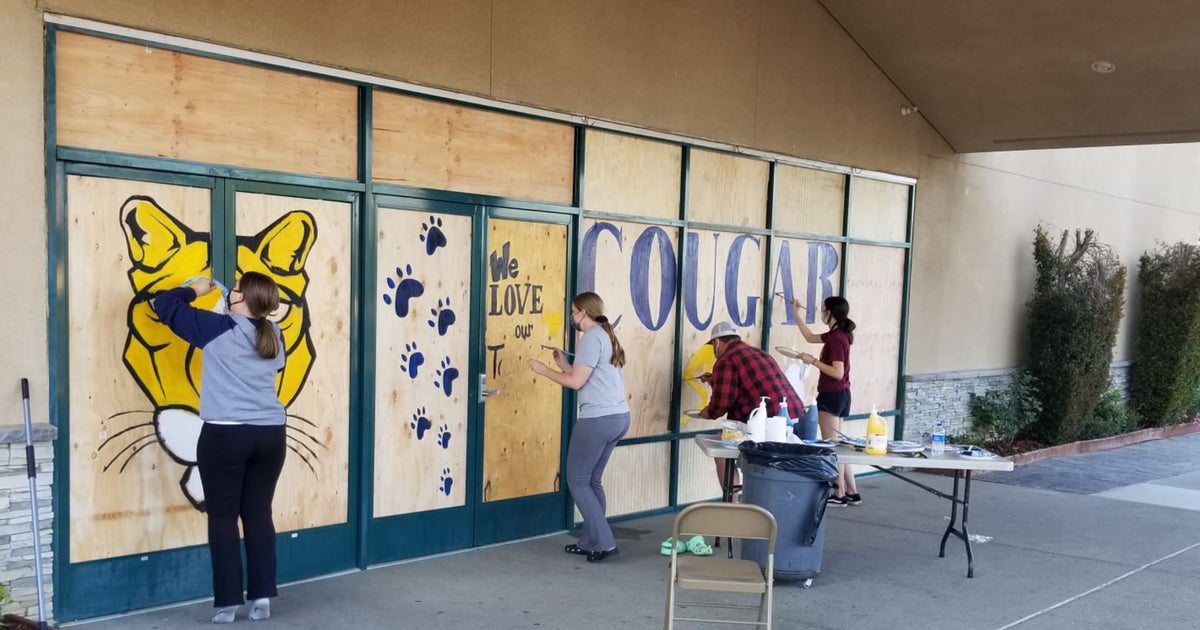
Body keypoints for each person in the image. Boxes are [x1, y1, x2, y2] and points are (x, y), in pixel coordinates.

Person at [154, 272, 288, 623]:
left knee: (223, 516)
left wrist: (194, 290)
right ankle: (261, 599)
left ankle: (228, 603)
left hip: (226, 435)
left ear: (241, 299)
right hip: (271, 436)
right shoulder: (275, 334)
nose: (232, 290)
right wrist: (227, 312)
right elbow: (256, 348)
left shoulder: (214, 329)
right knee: (258, 514)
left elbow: (164, 306)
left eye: (237, 289)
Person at [529, 292, 630, 563]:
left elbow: (574, 383)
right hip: (618, 417)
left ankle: (604, 543)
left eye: (574, 311)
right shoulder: (604, 336)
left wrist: (543, 370)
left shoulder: (590, 338)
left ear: (584, 312)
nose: (572, 316)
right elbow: (584, 376)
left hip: (598, 420)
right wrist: (564, 364)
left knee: (578, 481)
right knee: (592, 480)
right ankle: (590, 540)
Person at [697, 321, 801, 496]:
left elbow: (721, 404)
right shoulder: (760, 353)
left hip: (767, 422)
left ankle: (733, 504)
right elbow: (750, 383)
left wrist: (707, 413)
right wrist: (714, 379)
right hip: (793, 416)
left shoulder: (726, 360)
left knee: (723, 449)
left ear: (717, 342)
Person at [792, 296, 858, 506]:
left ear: (829, 311)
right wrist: (796, 315)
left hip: (832, 393)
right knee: (839, 445)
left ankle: (838, 494)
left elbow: (837, 372)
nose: (821, 312)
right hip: (841, 394)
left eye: (823, 309)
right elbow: (810, 337)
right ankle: (852, 491)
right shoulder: (836, 335)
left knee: (832, 446)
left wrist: (813, 361)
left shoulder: (837, 339)